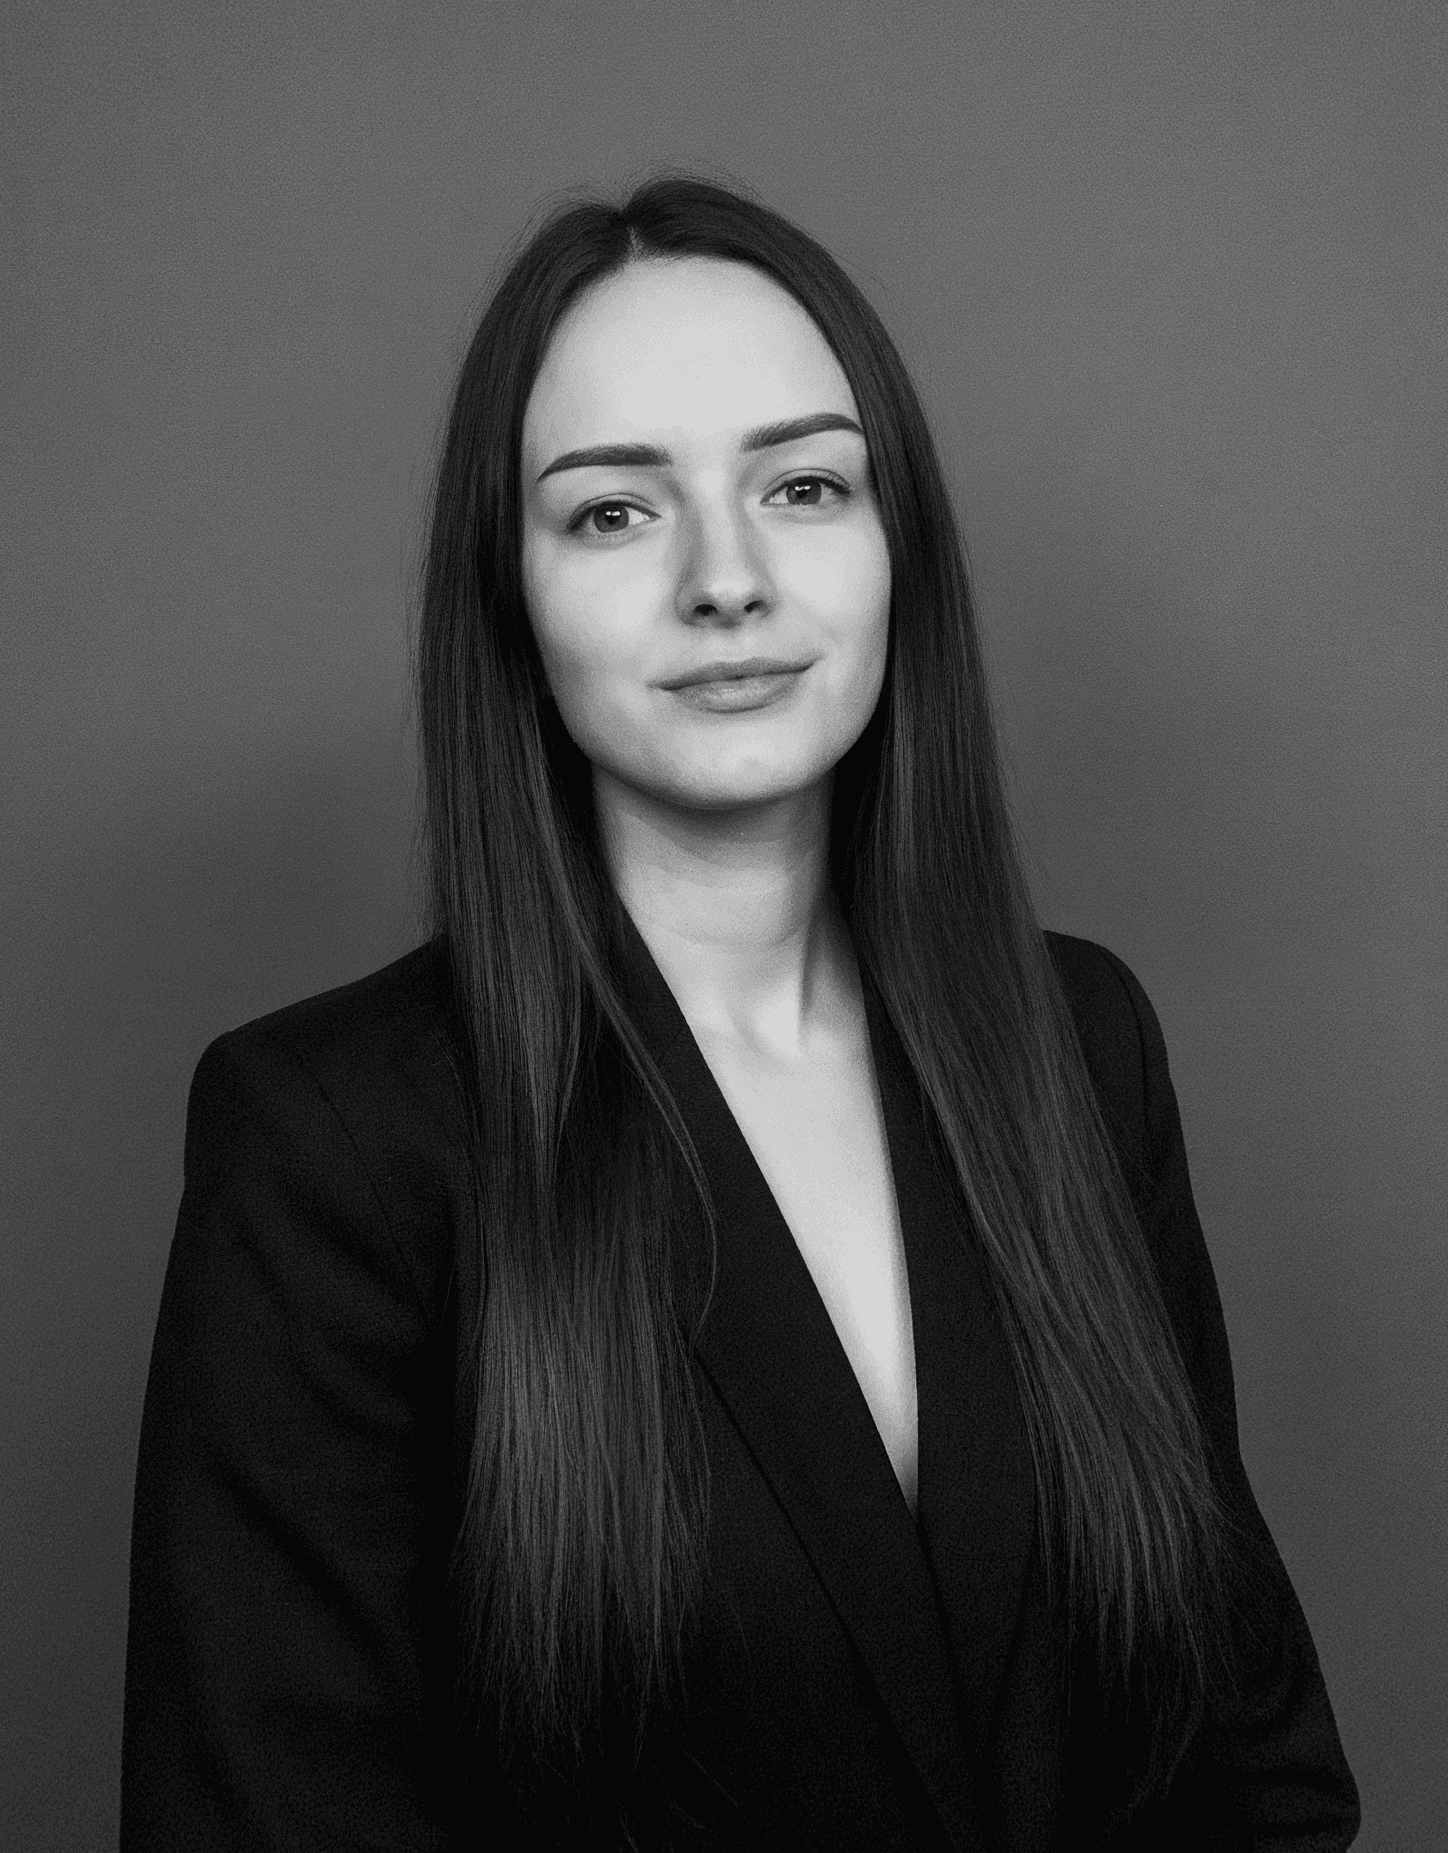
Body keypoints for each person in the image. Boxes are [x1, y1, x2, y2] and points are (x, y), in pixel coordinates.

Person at [120, 176, 1359, 1851]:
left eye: (802, 484)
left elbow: (1250, 1766)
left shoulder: (1083, 1045)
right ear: (511, 595)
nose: (727, 578)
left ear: (893, 542)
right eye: (615, 512)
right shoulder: (334, 1141)